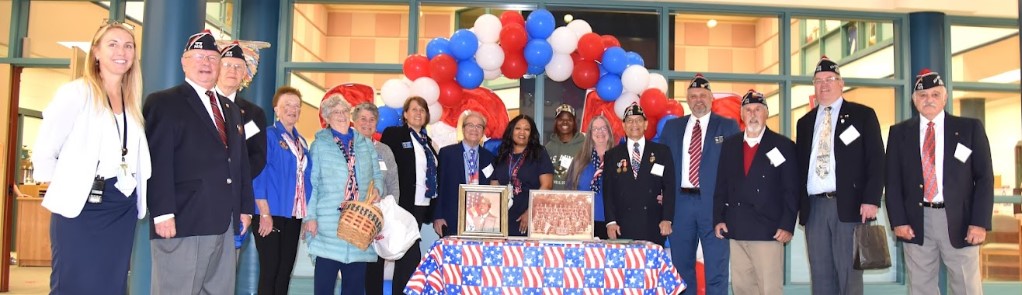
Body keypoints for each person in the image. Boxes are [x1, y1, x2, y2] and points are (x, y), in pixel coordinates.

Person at [33, 20, 150, 294]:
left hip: (121, 206)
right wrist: (66, 188)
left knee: (112, 284)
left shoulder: (131, 100)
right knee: (75, 283)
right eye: (113, 44)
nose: (122, 51)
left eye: (128, 45)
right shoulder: (76, 93)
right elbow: (46, 149)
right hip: (82, 206)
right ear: (96, 52)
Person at [144, 29, 254, 294]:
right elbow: (157, 161)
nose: (206, 63)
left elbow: (239, 164)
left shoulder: (230, 109)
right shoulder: (164, 102)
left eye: (212, 58)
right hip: (184, 220)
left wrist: (244, 208)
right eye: (199, 56)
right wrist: (162, 213)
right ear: (184, 61)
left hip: (225, 223)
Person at [885, 69, 993, 295]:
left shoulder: (969, 129)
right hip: (917, 221)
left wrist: (979, 222)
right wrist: (898, 221)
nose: (929, 100)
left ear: (945, 98)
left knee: (967, 286)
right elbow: (892, 182)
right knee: (921, 287)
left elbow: (984, 179)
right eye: (923, 96)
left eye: (935, 94)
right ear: (915, 101)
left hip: (961, 220)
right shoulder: (899, 133)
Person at [795, 56, 884, 295]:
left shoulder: (862, 115)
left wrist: (872, 199)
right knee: (821, 275)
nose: (824, 85)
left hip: (850, 206)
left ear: (841, 83)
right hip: (814, 208)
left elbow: (876, 160)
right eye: (818, 81)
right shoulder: (804, 123)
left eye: (830, 79)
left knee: (849, 275)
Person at [660, 74, 740, 295]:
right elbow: (662, 166)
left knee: (717, 269)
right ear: (687, 99)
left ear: (711, 98)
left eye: (703, 95)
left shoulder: (728, 126)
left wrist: (729, 208)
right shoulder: (672, 128)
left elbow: (735, 170)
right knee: (681, 271)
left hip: (714, 208)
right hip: (681, 206)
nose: (698, 100)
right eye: (693, 96)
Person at [713, 90, 798, 295]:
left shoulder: (783, 145)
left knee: (769, 289)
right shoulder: (730, 145)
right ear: (741, 115)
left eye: (758, 109)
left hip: (768, 230)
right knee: (742, 288)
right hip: (737, 227)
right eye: (748, 110)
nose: (753, 114)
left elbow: (792, 189)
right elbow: (721, 185)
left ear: (766, 113)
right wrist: (718, 218)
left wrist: (787, 224)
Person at [303, 95, 384, 295]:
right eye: (335, 112)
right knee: (324, 288)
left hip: (359, 225)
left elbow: (377, 174)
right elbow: (312, 183)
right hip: (328, 226)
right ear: (327, 118)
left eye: (344, 111)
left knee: (355, 289)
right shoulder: (319, 144)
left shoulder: (365, 143)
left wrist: (378, 189)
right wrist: (310, 217)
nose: (341, 116)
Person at [371, 96, 438, 295]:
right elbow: (382, 165)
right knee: (393, 251)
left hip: (420, 204)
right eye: (414, 109)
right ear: (406, 114)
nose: (418, 113)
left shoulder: (428, 142)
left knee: (407, 253)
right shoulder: (394, 134)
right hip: (399, 203)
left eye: (422, 110)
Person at [250, 86, 311, 295]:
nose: (292, 110)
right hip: (270, 213)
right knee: (270, 271)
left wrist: (308, 213)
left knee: (285, 272)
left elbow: (307, 180)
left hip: (293, 215)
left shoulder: (301, 142)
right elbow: (258, 174)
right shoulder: (268, 135)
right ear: (276, 109)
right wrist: (264, 213)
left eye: (297, 106)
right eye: (287, 105)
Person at [602, 103, 676, 245]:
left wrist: (667, 218)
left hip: (653, 224)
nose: (634, 124)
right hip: (622, 226)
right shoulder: (612, 155)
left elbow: (670, 187)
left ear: (646, 124)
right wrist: (610, 221)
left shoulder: (662, 152)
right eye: (629, 121)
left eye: (638, 120)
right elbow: (608, 191)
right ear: (623, 125)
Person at [490, 115, 555, 236]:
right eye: (518, 128)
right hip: (502, 218)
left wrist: (531, 211)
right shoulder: (502, 154)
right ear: (511, 131)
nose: (522, 132)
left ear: (531, 133)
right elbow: (494, 185)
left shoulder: (539, 153)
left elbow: (547, 185)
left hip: (527, 217)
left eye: (527, 129)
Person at [434, 111, 496, 237]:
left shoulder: (490, 158)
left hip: (481, 220)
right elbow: (439, 186)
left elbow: (493, 190)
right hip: (451, 217)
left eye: (479, 126)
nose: (474, 129)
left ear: (483, 131)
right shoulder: (447, 154)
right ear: (463, 129)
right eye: (470, 125)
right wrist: (438, 216)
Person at [216, 41, 268, 179]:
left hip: (236, 190)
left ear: (245, 73)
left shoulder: (255, 115)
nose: (232, 70)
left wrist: (236, 179)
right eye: (226, 65)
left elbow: (257, 156)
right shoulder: (200, 104)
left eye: (238, 67)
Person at [564, 115, 618, 239]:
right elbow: (569, 190)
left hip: (611, 224)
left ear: (609, 132)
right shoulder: (579, 160)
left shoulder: (619, 160)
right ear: (590, 134)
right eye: (595, 129)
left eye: (604, 128)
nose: (600, 132)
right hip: (582, 223)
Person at [352, 102, 400, 199]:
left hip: (380, 210)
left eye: (372, 120)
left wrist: (392, 207)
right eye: (363, 119)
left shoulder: (385, 150)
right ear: (355, 121)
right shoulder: (347, 147)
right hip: (352, 209)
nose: (368, 123)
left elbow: (393, 184)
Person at [545, 103, 586, 190]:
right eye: (561, 119)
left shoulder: (584, 145)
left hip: (576, 198)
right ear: (556, 122)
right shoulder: (548, 147)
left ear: (574, 122)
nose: (565, 122)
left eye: (569, 119)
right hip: (554, 199)